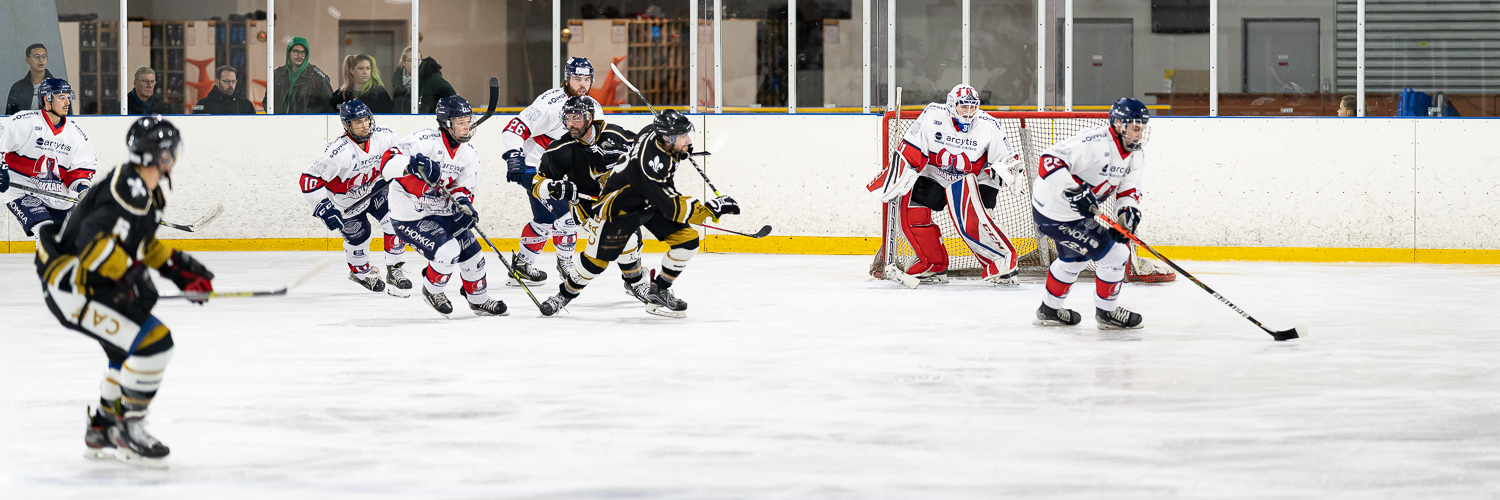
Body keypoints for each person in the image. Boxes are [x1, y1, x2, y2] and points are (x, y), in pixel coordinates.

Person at [35, 117, 213, 467]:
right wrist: (129, 275)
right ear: (159, 156)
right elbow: (90, 244)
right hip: (72, 288)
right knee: (155, 344)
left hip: (84, 283)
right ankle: (130, 430)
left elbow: (141, 244)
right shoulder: (128, 190)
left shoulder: (145, 189)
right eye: (170, 152)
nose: (174, 158)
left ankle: (103, 427)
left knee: (123, 352)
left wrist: (179, 269)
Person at [546, 109, 738, 318]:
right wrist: (709, 209)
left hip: (647, 202)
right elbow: (671, 206)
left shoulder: (652, 132)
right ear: (667, 138)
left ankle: (659, 291)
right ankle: (562, 296)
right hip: (618, 209)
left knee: (688, 241)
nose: (688, 140)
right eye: (683, 136)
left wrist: (678, 150)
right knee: (594, 264)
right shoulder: (651, 168)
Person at [868, 83, 1024, 286]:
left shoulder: (989, 124)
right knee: (912, 211)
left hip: (973, 181)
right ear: (951, 105)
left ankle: (1003, 262)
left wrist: (1011, 170)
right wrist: (895, 177)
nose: (969, 112)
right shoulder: (932, 115)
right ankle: (932, 263)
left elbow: (1005, 158)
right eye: (964, 107)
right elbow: (910, 150)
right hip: (935, 177)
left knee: (971, 220)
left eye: (973, 107)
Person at [378, 95, 505, 316]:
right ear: (446, 123)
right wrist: (411, 164)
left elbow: (463, 189)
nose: (467, 126)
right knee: (448, 251)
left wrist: (463, 207)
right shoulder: (423, 141)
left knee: (473, 253)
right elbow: (387, 162)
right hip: (410, 214)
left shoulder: (470, 154)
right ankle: (432, 290)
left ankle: (479, 300)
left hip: (442, 212)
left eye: (468, 121)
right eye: (460, 122)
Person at [1031, 97, 1151, 329]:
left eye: (1143, 130)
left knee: (1074, 259)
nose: (1140, 135)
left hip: (1073, 215)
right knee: (1117, 254)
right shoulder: (1095, 142)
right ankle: (1107, 313)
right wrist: (1074, 191)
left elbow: (1129, 189)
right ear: (1118, 124)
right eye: (1136, 129)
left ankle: (1049, 310)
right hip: (1054, 211)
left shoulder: (1136, 155)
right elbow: (1048, 161)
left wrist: (1127, 213)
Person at [531, 96, 645, 315]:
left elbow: (644, 151)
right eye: (567, 118)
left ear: (590, 118)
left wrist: (670, 148)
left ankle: (633, 279)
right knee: (617, 243)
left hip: (620, 204)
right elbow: (537, 185)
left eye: (576, 118)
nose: (571, 124)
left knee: (631, 241)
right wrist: (554, 187)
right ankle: (636, 282)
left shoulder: (616, 136)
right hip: (587, 210)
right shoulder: (560, 149)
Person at [500, 57, 604, 285]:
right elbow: (513, 128)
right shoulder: (549, 103)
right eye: (577, 78)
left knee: (545, 219)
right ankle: (566, 265)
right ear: (566, 79)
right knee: (567, 217)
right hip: (534, 168)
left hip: (561, 172)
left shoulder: (594, 107)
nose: (582, 84)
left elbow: (595, 144)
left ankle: (521, 266)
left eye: (586, 79)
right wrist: (514, 155)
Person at [300, 100, 411, 296]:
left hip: (375, 189)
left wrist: (407, 167)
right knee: (360, 236)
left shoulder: (384, 136)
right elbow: (309, 180)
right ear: (347, 125)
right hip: (346, 202)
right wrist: (324, 207)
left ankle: (395, 269)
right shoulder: (338, 152)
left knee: (395, 219)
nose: (364, 125)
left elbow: (400, 155)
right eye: (357, 122)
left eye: (366, 119)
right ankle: (360, 273)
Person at [0, 79, 98, 242]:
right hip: (23, 191)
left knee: (69, 242)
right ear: (47, 99)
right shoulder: (25, 122)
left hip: (58, 197)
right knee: (45, 232)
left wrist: (83, 190)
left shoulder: (74, 133)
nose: (67, 102)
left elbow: (81, 168)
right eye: (61, 97)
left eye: (68, 96)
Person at [272, 37, 334, 114]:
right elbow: (267, 101)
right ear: (288, 52)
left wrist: (309, 116)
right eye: (296, 51)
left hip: (307, 121)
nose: (300, 55)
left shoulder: (316, 76)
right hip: (279, 120)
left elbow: (330, 104)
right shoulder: (278, 74)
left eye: (303, 52)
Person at [6, 43, 54, 115]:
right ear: (27, 60)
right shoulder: (18, 88)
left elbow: (67, 116)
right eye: (36, 56)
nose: (41, 60)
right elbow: (10, 117)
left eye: (44, 56)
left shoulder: (57, 86)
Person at [191, 66, 256, 114]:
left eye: (233, 81)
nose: (231, 85)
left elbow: (254, 126)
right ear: (217, 82)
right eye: (226, 81)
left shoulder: (246, 105)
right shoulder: (203, 104)